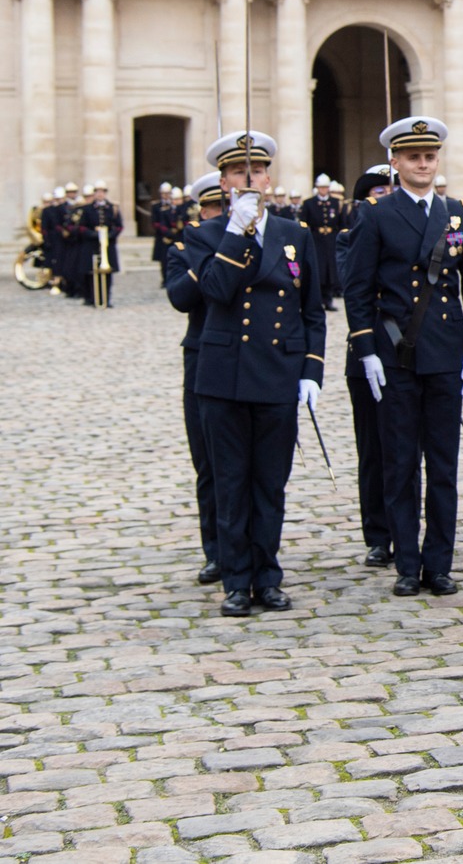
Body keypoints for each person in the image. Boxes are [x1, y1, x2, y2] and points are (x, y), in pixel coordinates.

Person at [342, 117, 463, 597]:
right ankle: (407, 563)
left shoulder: (458, 213)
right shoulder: (376, 215)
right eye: (413, 157)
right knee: (401, 464)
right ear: (395, 163)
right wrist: (366, 350)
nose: (423, 163)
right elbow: (358, 288)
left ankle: (439, 563)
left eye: (429, 156)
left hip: (445, 353)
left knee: (443, 466)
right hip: (395, 354)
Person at [189, 131, 325, 618]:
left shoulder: (296, 234)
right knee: (230, 481)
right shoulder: (203, 235)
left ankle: (267, 576)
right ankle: (235, 578)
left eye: (258, 171)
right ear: (224, 182)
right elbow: (215, 291)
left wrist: (311, 369)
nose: (250, 179)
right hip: (223, 375)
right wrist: (234, 234)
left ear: (269, 179)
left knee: (270, 482)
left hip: (276, 372)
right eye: (239, 172)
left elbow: (313, 309)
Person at [163, 170, 227, 586]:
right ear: (200, 213)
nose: (221, 215)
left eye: (227, 207)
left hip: (249, 358)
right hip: (203, 356)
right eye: (214, 209)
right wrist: (212, 256)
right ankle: (217, 551)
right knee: (208, 461)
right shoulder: (184, 249)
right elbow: (181, 299)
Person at [337, 164, 397, 567]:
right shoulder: (348, 238)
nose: (386, 197)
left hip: (413, 353)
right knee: (374, 450)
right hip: (369, 350)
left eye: (390, 190)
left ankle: (407, 524)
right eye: (377, 193)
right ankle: (378, 533)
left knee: (409, 449)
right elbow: (350, 281)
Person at [300, 175, 344, 312]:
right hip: (316, 238)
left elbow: (341, 222)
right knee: (318, 270)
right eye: (321, 187)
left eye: (325, 187)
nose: (323, 190)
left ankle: (329, 299)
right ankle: (318, 300)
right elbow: (303, 222)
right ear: (317, 188)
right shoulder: (309, 203)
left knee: (330, 269)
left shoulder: (335, 203)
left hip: (331, 239)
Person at [80, 181, 123, 306]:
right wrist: (93, 234)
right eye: (97, 192)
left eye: (102, 192)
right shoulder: (87, 209)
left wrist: (110, 235)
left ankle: (106, 299)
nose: (100, 194)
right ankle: (93, 298)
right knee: (93, 273)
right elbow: (82, 227)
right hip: (92, 244)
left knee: (107, 273)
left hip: (107, 245)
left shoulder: (112, 208)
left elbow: (119, 226)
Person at [151, 181, 180, 282]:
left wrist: (174, 232)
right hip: (162, 236)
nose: (166, 195)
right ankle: (164, 278)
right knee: (163, 259)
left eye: (168, 193)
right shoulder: (156, 206)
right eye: (164, 193)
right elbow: (155, 222)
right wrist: (166, 232)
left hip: (175, 236)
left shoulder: (176, 206)